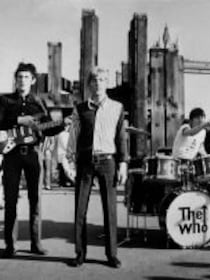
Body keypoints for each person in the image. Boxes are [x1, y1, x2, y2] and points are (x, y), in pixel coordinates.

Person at [0, 62, 63, 258]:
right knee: (10, 201)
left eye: (26, 77)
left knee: (35, 200)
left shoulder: (39, 103)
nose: (22, 81)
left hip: (33, 155)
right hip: (11, 156)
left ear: (33, 80)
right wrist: (20, 121)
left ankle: (36, 243)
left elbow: (47, 127)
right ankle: (10, 245)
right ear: (15, 79)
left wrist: (63, 125)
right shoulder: (4, 101)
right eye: (19, 77)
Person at [67, 67, 128, 268]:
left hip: (107, 161)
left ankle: (111, 254)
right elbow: (73, 137)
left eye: (103, 79)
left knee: (110, 209)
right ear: (90, 84)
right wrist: (69, 162)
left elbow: (121, 138)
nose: (99, 83)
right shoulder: (80, 108)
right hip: (85, 161)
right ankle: (80, 253)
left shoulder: (117, 108)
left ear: (106, 82)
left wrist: (123, 164)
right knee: (80, 209)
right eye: (95, 80)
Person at [56, 117, 73, 187]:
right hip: (63, 154)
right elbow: (65, 145)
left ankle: (64, 182)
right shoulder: (63, 134)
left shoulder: (66, 134)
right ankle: (64, 182)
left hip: (63, 154)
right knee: (65, 169)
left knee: (64, 169)